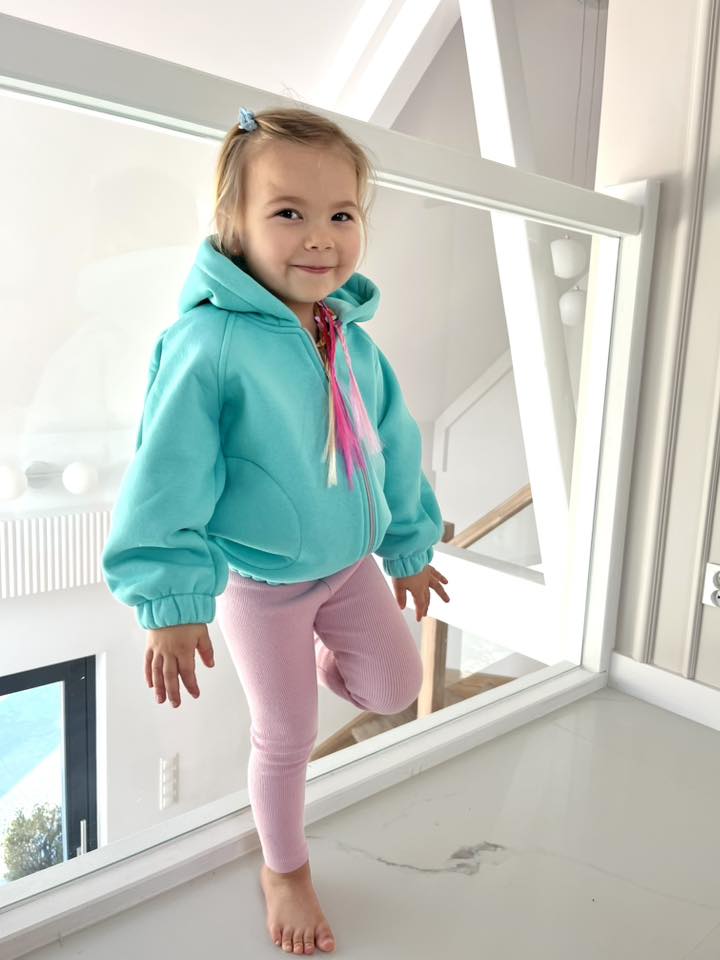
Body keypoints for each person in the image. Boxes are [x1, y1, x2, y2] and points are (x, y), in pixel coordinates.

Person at [101, 105, 451, 955]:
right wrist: (171, 599)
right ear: (235, 223)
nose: (320, 237)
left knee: (396, 688)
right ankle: (284, 868)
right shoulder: (207, 343)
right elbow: (168, 473)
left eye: (342, 214)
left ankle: (328, 656)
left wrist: (408, 545)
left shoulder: (350, 338)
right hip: (262, 586)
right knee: (287, 735)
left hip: (348, 568)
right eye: (289, 212)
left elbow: (393, 444)